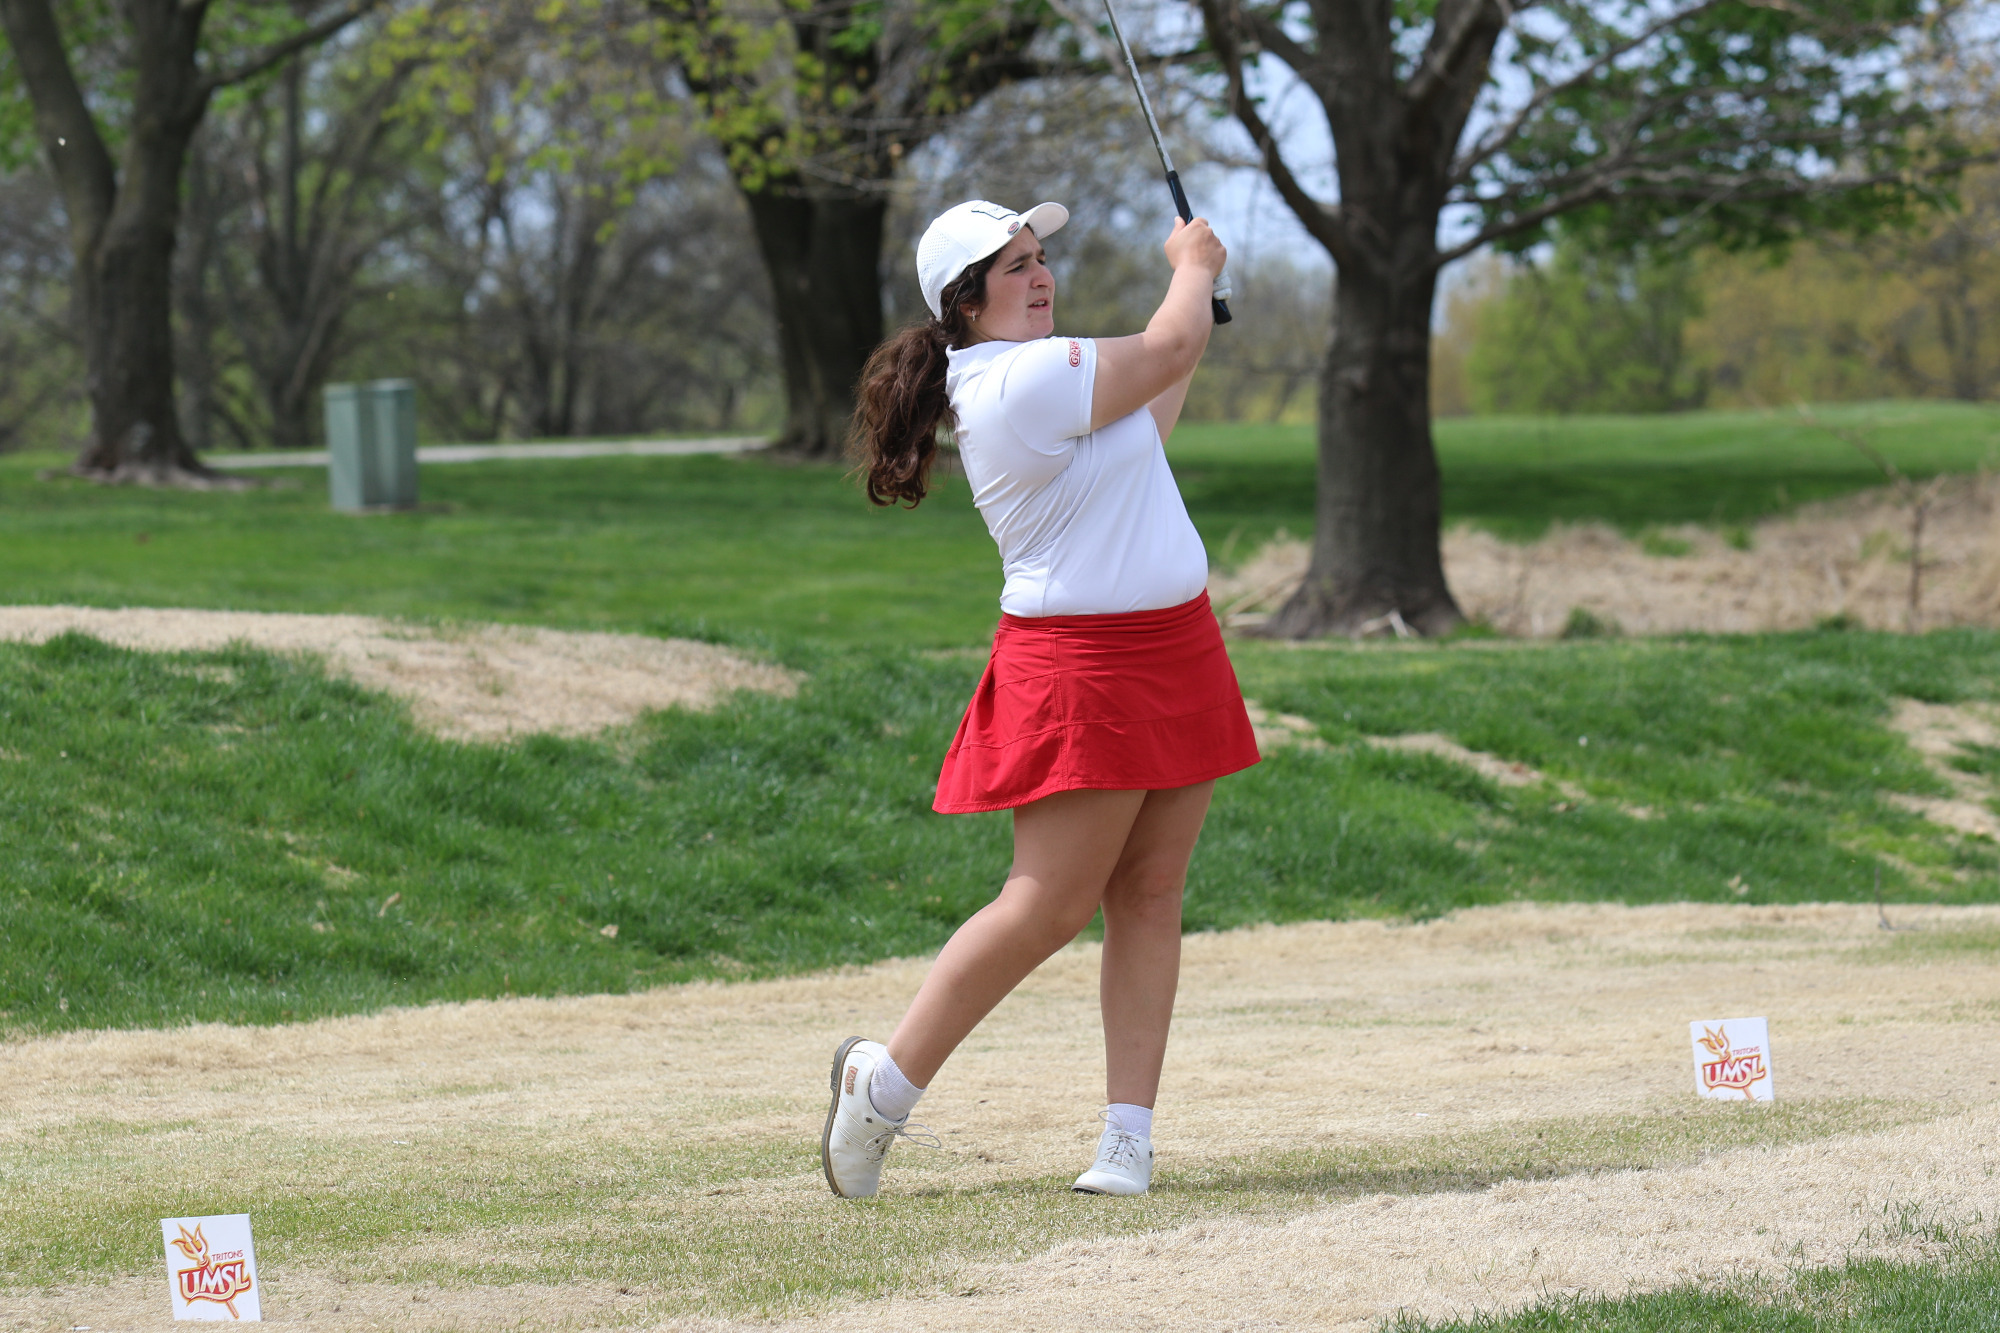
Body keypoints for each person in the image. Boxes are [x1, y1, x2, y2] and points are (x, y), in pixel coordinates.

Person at [823, 198, 1258, 1199]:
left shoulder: (1052, 375)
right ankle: (880, 1089)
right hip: (1081, 663)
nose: (1038, 274)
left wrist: (1185, 325)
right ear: (964, 303)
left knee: (1150, 896)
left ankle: (1126, 1141)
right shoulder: (1015, 379)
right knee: (1046, 906)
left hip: (1175, 645)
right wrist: (1190, 267)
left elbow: (1149, 410)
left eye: (1039, 255)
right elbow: (1168, 339)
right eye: (1011, 265)